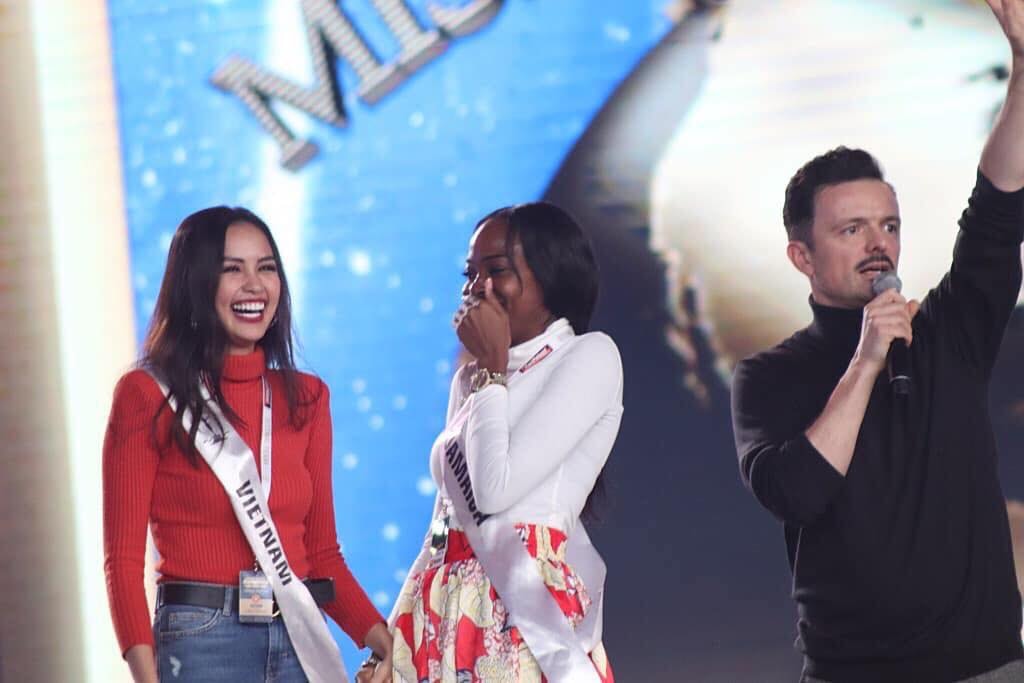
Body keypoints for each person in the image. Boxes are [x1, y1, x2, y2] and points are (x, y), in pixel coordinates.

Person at [730, 3, 1024, 681]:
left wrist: (1023, 70)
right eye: (851, 229)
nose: (878, 244)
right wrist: (866, 362)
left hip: (986, 667)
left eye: (888, 225)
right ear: (802, 256)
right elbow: (797, 493)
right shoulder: (769, 376)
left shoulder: (947, 331)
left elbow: (997, 210)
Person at [103, 206, 393, 682]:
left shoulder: (307, 398)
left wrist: (384, 643)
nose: (255, 285)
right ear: (196, 283)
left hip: (298, 636)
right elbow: (123, 561)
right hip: (201, 640)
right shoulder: (147, 395)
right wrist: (144, 674)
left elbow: (322, 554)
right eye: (232, 270)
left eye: (266, 268)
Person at [367, 202, 622, 682]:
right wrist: (394, 636)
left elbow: (493, 490)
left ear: (551, 275)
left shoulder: (589, 356)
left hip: (522, 617)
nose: (475, 288)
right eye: (470, 274)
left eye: (497, 270)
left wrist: (491, 367)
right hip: (440, 605)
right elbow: (442, 521)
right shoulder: (470, 380)